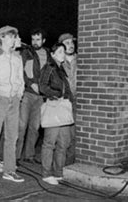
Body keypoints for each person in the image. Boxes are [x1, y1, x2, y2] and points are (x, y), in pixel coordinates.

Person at [0, 26, 25, 183]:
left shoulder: (17, 57)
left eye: (14, 37)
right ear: (2, 37)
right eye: (11, 37)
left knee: (12, 137)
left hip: (13, 100)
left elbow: (20, 78)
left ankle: (9, 170)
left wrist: (19, 94)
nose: (14, 40)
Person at [39, 43, 73, 185]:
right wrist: (57, 94)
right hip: (53, 107)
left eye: (63, 52)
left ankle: (58, 172)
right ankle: (46, 174)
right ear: (52, 54)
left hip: (63, 108)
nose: (62, 54)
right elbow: (42, 87)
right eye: (59, 51)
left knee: (63, 142)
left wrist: (69, 97)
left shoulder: (61, 69)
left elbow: (66, 88)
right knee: (49, 143)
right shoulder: (50, 67)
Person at [17, 28, 50, 163]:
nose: (35, 42)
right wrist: (30, 84)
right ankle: (15, 156)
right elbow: (21, 71)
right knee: (21, 126)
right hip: (27, 94)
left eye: (38, 39)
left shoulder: (48, 54)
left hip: (41, 97)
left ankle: (29, 155)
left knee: (35, 127)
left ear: (43, 40)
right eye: (33, 39)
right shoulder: (26, 52)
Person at [58, 33, 77, 165]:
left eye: (72, 43)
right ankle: (60, 165)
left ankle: (70, 164)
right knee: (64, 136)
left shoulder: (81, 59)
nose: (71, 46)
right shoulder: (58, 62)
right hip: (64, 102)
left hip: (78, 101)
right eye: (67, 43)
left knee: (75, 134)